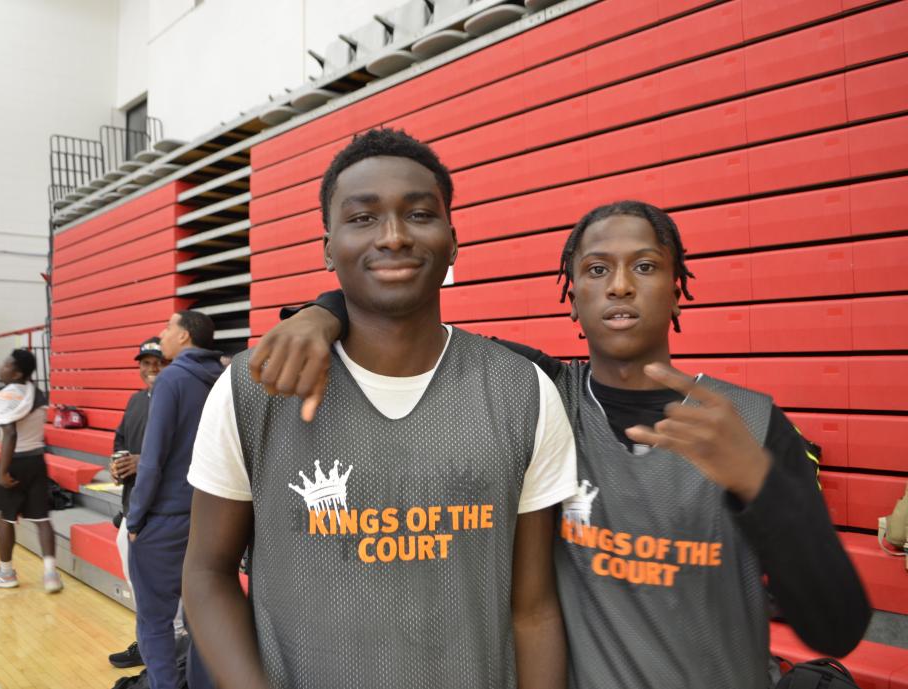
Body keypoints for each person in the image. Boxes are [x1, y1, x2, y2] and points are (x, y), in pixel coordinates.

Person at [255, 199, 872, 687]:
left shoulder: (748, 425)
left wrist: (758, 483)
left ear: (678, 288)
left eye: (646, 266)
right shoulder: (539, 394)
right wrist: (321, 312)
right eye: (597, 269)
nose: (621, 285)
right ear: (570, 296)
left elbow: (836, 627)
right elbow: (402, 319)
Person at [183, 128, 577, 689]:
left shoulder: (525, 392)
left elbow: (534, 608)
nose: (393, 236)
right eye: (363, 218)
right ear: (327, 247)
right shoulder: (252, 389)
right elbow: (205, 572)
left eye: (418, 214)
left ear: (453, 240)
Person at [127, 311, 224, 689]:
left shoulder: (172, 379)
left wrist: (135, 519)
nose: (162, 333)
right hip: (213, 518)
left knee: (154, 621)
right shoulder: (222, 379)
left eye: (168, 327)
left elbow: (152, 459)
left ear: (184, 337)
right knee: (202, 620)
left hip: (165, 517)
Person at [0, 348, 64, 593]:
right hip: (36, 462)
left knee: (5, 519)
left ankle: (6, 573)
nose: (1, 367)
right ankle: (50, 574)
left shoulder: (7, 395)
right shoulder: (36, 393)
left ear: (16, 373)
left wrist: (3, 471)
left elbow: (12, 434)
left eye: (5, 363)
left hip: (13, 463)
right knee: (42, 519)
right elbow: (18, 429)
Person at [108, 336, 167, 670]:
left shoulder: (178, 398)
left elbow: (188, 454)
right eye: (145, 362)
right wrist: (115, 464)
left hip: (163, 512)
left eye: (157, 361)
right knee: (138, 587)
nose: (151, 368)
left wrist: (142, 460)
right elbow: (120, 442)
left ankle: (168, 655)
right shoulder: (135, 401)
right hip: (133, 508)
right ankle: (149, 645)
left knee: (163, 593)